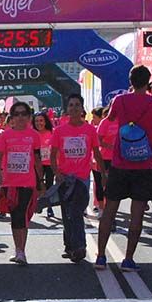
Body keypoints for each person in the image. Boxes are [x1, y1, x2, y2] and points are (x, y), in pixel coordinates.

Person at [94, 65, 152, 272]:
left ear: (130, 80)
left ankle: (101, 256)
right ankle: (128, 259)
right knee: (137, 214)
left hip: (120, 162)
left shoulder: (120, 100)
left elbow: (109, 118)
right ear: (148, 82)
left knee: (110, 210)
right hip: (144, 164)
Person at [52, 94, 99, 262]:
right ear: (67, 109)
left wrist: (104, 174)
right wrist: (57, 173)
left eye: (77, 105)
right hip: (65, 178)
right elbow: (53, 155)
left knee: (76, 212)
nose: (74, 108)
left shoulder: (90, 130)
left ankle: (80, 246)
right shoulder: (59, 131)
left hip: (82, 178)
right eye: (71, 105)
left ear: (82, 109)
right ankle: (70, 246)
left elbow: (97, 152)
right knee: (67, 213)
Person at [0, 101, 42, 266]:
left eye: (24, 114)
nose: (20, 117)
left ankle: (21, 250)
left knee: (23, 214)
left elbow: (37, 159)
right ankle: (19, 250)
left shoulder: (34, 135)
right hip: (9, 182)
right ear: (11, 118)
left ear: (29, 117)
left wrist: (41, 181)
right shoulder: (5, 135)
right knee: (16, 215)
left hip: (28, 182)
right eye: (16, 114)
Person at [33, 111, 56, 218]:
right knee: (38, 185)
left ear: (46, 121)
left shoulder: (52, 132)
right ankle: (40, 202)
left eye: (41, 120)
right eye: (36, 121)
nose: (39, 123)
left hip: (49, 163)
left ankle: (49, 207)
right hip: (37, 164)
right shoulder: (33, 134)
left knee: (49, 185)